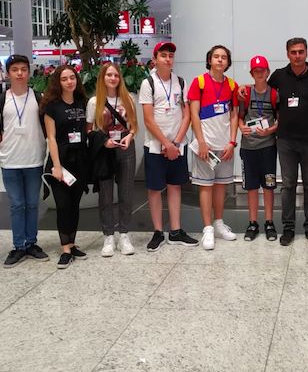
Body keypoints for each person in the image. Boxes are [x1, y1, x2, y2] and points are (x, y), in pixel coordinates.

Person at [268, 37, 308, 246]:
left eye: (301, 51)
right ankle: (288, 228)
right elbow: (262, 94)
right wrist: (244, 88)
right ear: (287, 54)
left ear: (306, 53)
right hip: (285, 141)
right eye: (293, 52)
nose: (297, 56)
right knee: (288, 186)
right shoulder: (278, 76)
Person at [139, 42, 198, 251]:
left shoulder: (180, 82)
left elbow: (187, 114)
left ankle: (175, 231)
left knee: (175, 186)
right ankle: (157, 232)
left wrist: (176, 143)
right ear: (155, 58)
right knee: (155, 189)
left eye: (171, 55)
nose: (168, 59)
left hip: (177, 144)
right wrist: (166, 144)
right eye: (163, 55)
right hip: (156, 146)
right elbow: (148, 119)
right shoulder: (148, 83)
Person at [0, 54, 49, 268]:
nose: (19, 73)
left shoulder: (39, 97)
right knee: (17, 205)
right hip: (10, 162)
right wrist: (5, 146)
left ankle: (31, 243)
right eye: (15, 70)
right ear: (8, 73)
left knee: (32, 204)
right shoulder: (0, 100)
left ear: (29, 72)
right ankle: (18, 246)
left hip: (34, 159)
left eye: (23, 69)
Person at [188, 45, 239, 250]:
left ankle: (218, 224)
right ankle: (207, 228)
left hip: (224, 146)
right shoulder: (199, 82)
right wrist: (201, 141)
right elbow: (193, 114)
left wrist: (232, 142)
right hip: (205, 147)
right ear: (209, 60)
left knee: (220, 186)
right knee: (206, 186)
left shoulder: (232, 85)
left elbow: (234, 115)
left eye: (223, 57)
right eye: (216, 56)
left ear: (228, 62)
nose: (219, 60)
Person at [87, 63, 138, 257]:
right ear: (102, 78)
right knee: (106, 194)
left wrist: (130, 136)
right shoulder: (94, 102)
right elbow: (89, 130)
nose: (113, 78)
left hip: (125, 147)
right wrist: (103, 141)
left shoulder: (128, 99)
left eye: (116, 75)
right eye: (109, 75)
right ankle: (108, 235)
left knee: (126, 192)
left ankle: (124, 234)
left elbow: (134, 126)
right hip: (105, 149)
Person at [41, 65, 89, 268]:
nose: (69, 82)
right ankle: (65, 249)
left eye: (72, 78)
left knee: (74, 205)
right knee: (63, 205)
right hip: (60, 162)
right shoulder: (51, 107)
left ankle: (72, 242)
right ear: (57, 83)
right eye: (64, 79)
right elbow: (51, 138)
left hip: (80, 161)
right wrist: (57, 166)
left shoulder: (82, 102)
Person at [236, 55, 279, 242]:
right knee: (252, 187)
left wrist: (271, 130)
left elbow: (280, 119)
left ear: (268, 72)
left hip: (268, 147)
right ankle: (252, 223)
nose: (260, 73)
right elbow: (240, 116)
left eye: (263, 70)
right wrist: (241, 127)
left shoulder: (274, 94)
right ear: (252, 73)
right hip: (249, 148)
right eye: (256, 71)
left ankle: (269, 222)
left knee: (268, 186)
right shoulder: (245, 93)